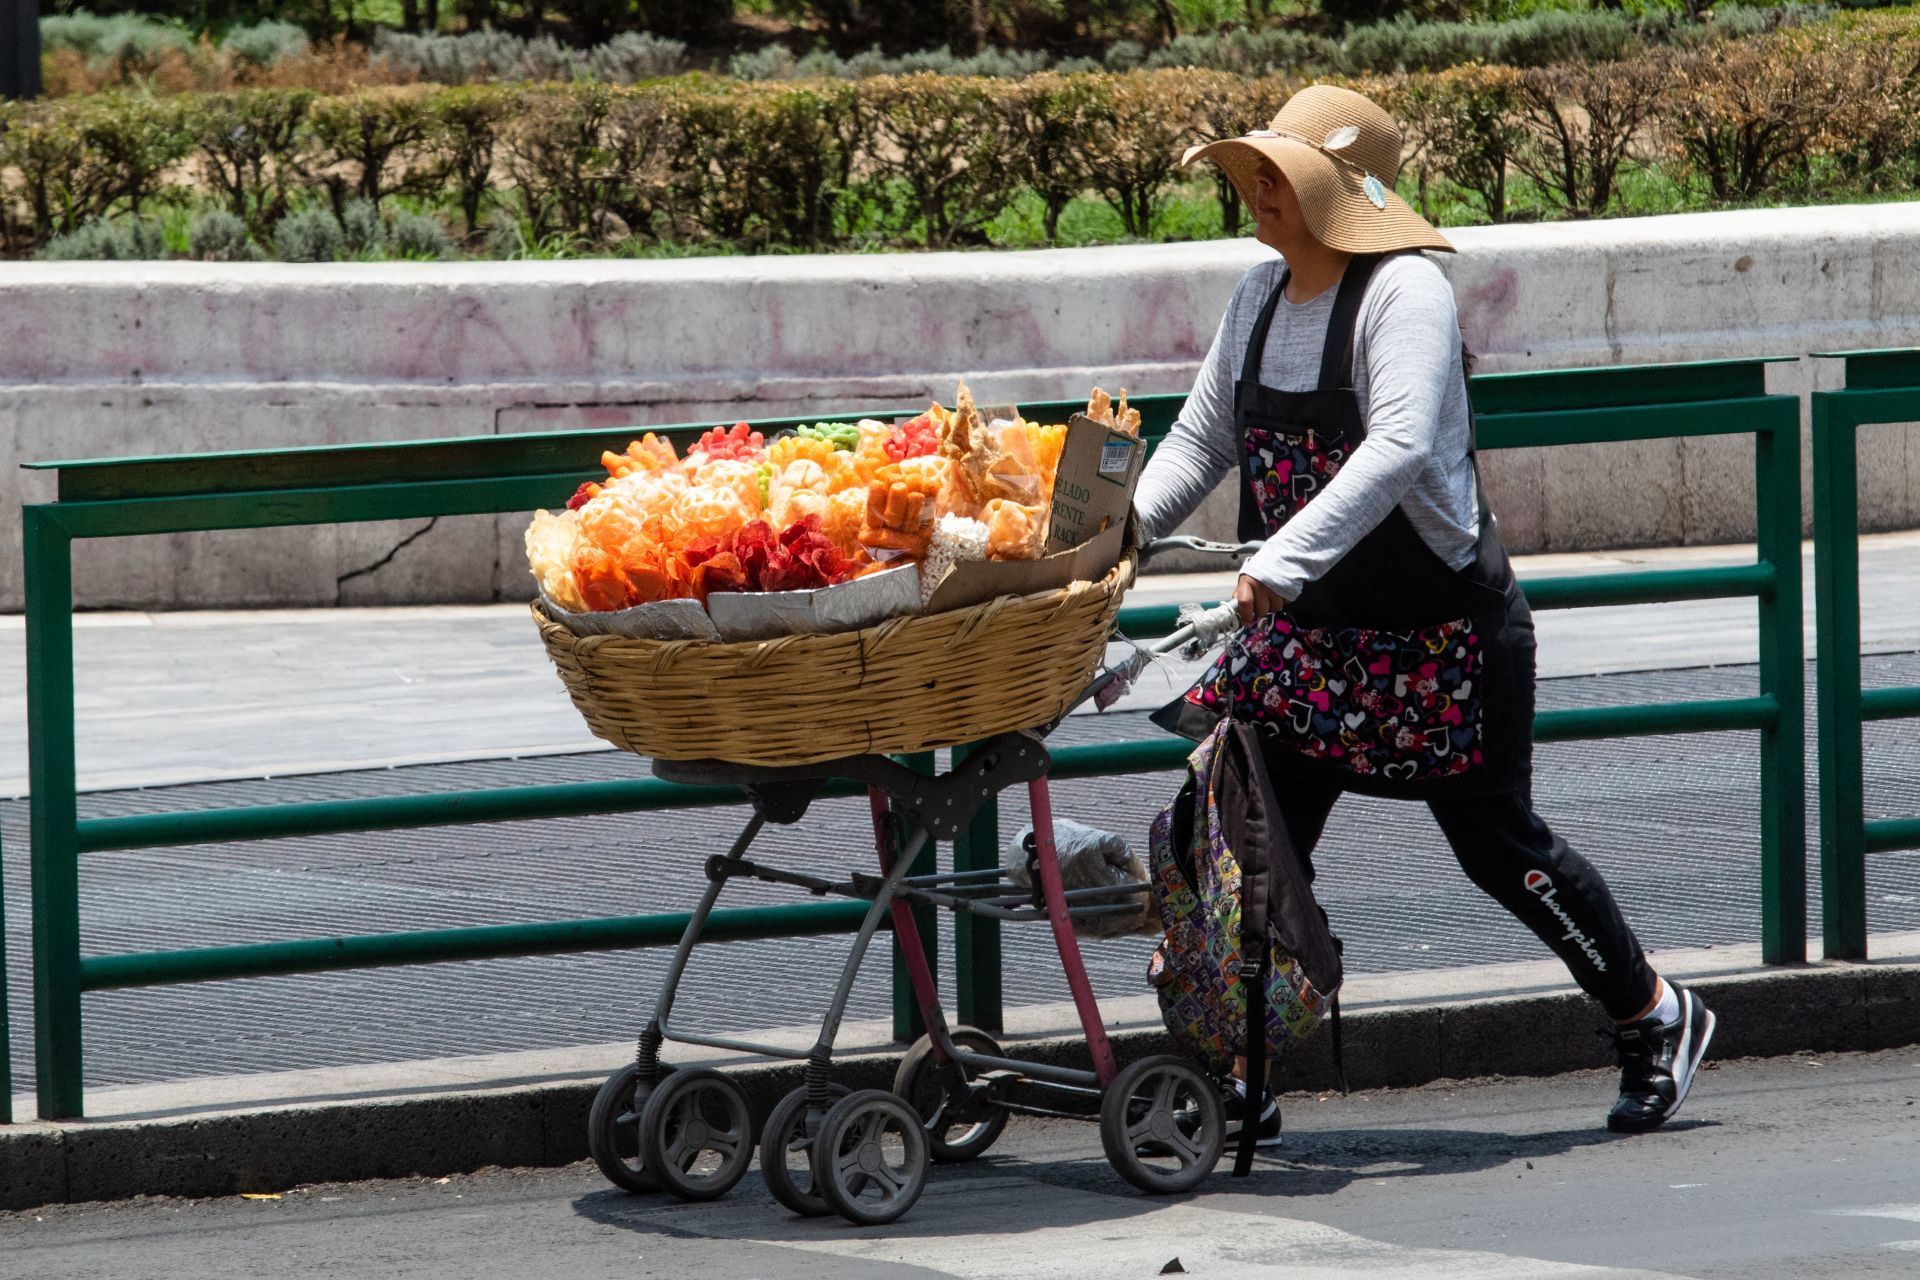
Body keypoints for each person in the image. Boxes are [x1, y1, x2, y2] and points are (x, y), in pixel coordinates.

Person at [1130, 84, 1716, 1145]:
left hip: (1442, 639)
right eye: (1255, 172)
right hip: (1311, 642)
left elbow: (1397, 443)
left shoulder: (1408, 296)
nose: (1259, 191)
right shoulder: (1258, 297)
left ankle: (1652, 1013)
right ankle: (1241, 1068)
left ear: (1341, 194)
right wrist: (1117, 532)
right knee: (1238, 840)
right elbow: (1200, 438)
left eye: (1284, 176)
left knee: (1498, 847)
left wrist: (1284, 559)